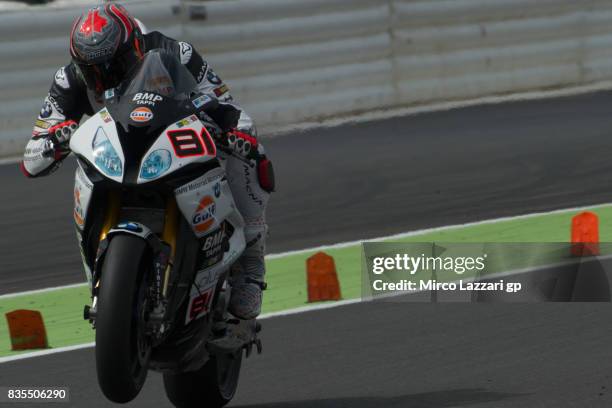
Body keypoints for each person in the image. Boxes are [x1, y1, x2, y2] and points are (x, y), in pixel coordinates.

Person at [20, 3, 273, 320]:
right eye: (93, 72)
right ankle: (103, 278)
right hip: (114, 156)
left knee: (250, 155)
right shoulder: (69, 80)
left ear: (135, 45)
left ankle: (251, 266)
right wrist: (54, 140)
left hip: (169, 145)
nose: (104, 78)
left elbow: (225, 104)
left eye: (113, 66)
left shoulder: (175, 54)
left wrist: (235, 131)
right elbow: (32, 158)